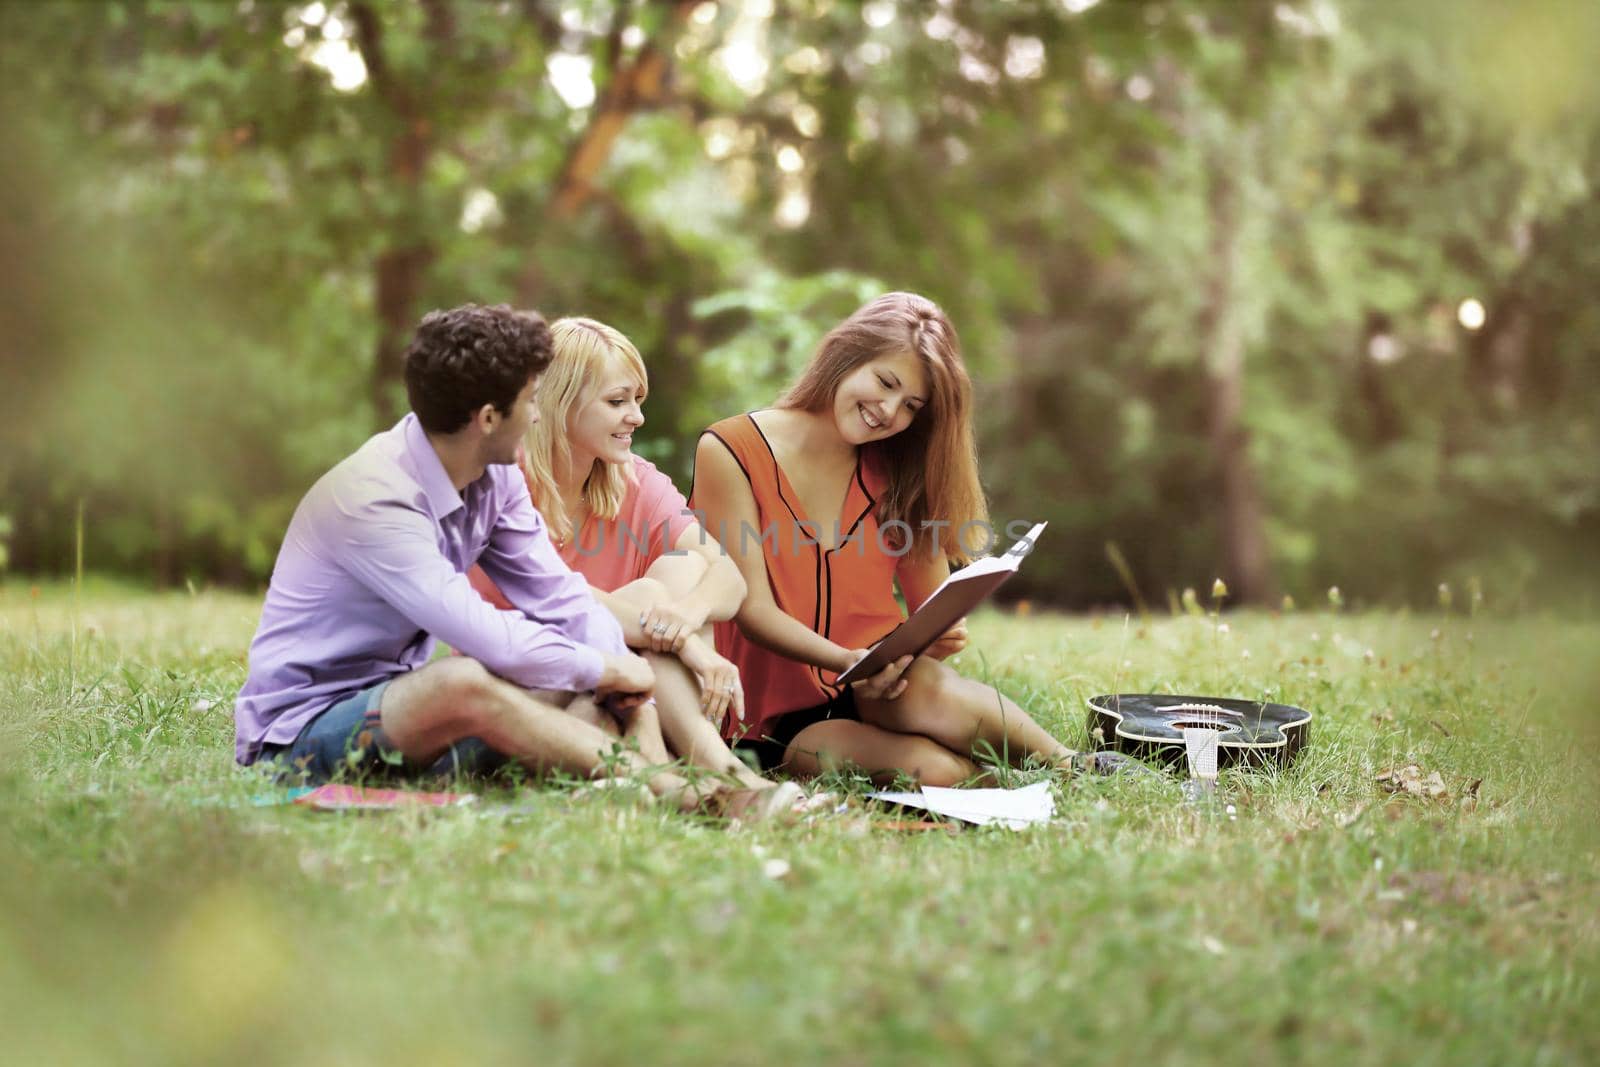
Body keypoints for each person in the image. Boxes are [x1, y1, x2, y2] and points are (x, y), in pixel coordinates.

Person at [234, 303, 786, 816]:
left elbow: (559, 597)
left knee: (597, 687)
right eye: (531, 401)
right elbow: (488, 636)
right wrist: (608, 665)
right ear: (490, 418)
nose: (538, 417)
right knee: (461, 681)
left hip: (406, 719)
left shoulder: (494, 480)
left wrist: (624, 669)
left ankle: (686, 783)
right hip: (303, 734)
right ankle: (672, 791)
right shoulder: (375, 499)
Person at [692, 291, 1113, 785]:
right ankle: (979, 772)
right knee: (937, 772)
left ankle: (1076, 765)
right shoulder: (730, 449)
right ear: (845, 356)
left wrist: (937, 634)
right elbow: (752, 612)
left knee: (934, 692)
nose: (889, 411)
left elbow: (931, 606)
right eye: (885, 382)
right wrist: (848, 662)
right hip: (776, 720)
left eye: (911, 404)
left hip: (882, 688)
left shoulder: (900, 470)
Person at [467, 316, 782, 797]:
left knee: (685, 569)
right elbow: (560, 596)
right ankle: (727, 779)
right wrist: (683, 642)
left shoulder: (632, 478)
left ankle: (680, 773)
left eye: (637, 400)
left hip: (619, 686)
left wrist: (684, 615)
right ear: (558, 404)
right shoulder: (501, 481)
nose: (636, 417)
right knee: (650, 596)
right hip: (523, 686)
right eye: (617, 402)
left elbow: (728, 576)